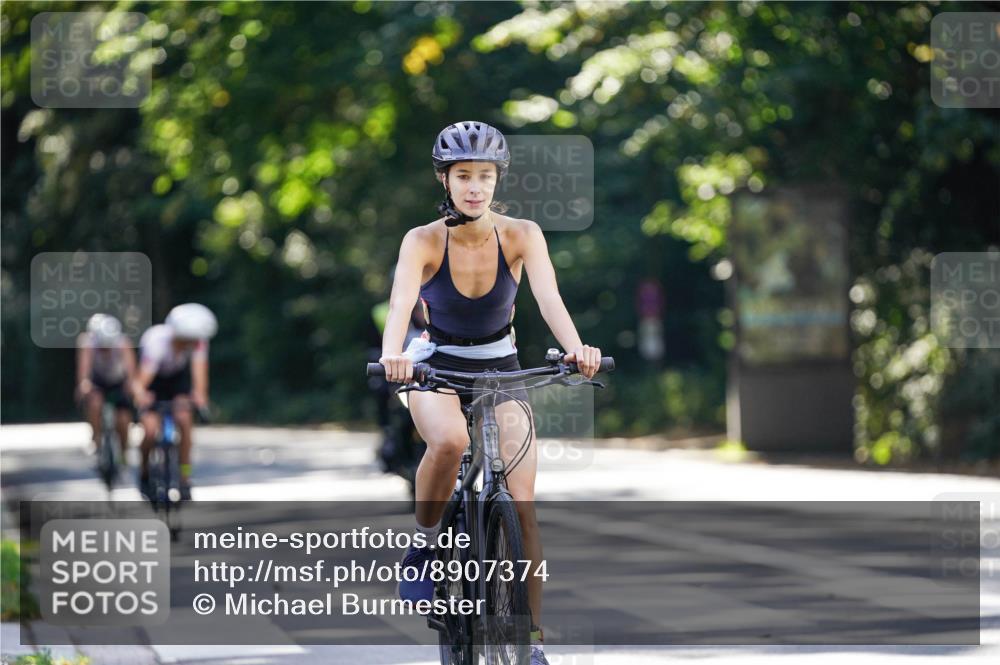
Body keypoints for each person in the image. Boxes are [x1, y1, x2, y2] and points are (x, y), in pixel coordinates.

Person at [379, 120, 601, 664]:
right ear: (445, 180)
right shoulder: (423, 240)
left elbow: (548, 297)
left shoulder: (522, 234)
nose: (475, 187)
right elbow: (401, 302)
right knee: (450, 441)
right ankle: (424, 547)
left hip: (501, 367)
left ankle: (532, 642)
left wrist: (577, 349)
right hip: (435, 366)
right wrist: (393, 355)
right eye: (463, 176)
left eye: (485, 176)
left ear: (497, 179)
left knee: (522, 506)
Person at [132, 303, 217, 501]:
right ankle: (144, 473)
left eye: (192, 341)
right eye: (185, 341)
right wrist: (141, 397)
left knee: (185, 420)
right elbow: (141, 382)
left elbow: (199, 377)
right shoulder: (157, 342)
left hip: (177, 381)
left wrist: (200, 399)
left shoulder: (198, 341)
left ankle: (185, 477)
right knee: (150, 430)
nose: (189, 345)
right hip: (153, 381)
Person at [75, 313, 136, 459]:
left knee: (123, 420)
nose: (105, 351)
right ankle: (96, 439)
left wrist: (132, 386)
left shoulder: (123, 343)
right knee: (94, 404)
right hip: (98, 381)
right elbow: (84, 369)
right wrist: (83, 384)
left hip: (118, 381)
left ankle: (123, 453)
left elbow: (131, 371)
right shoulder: (87, 343)